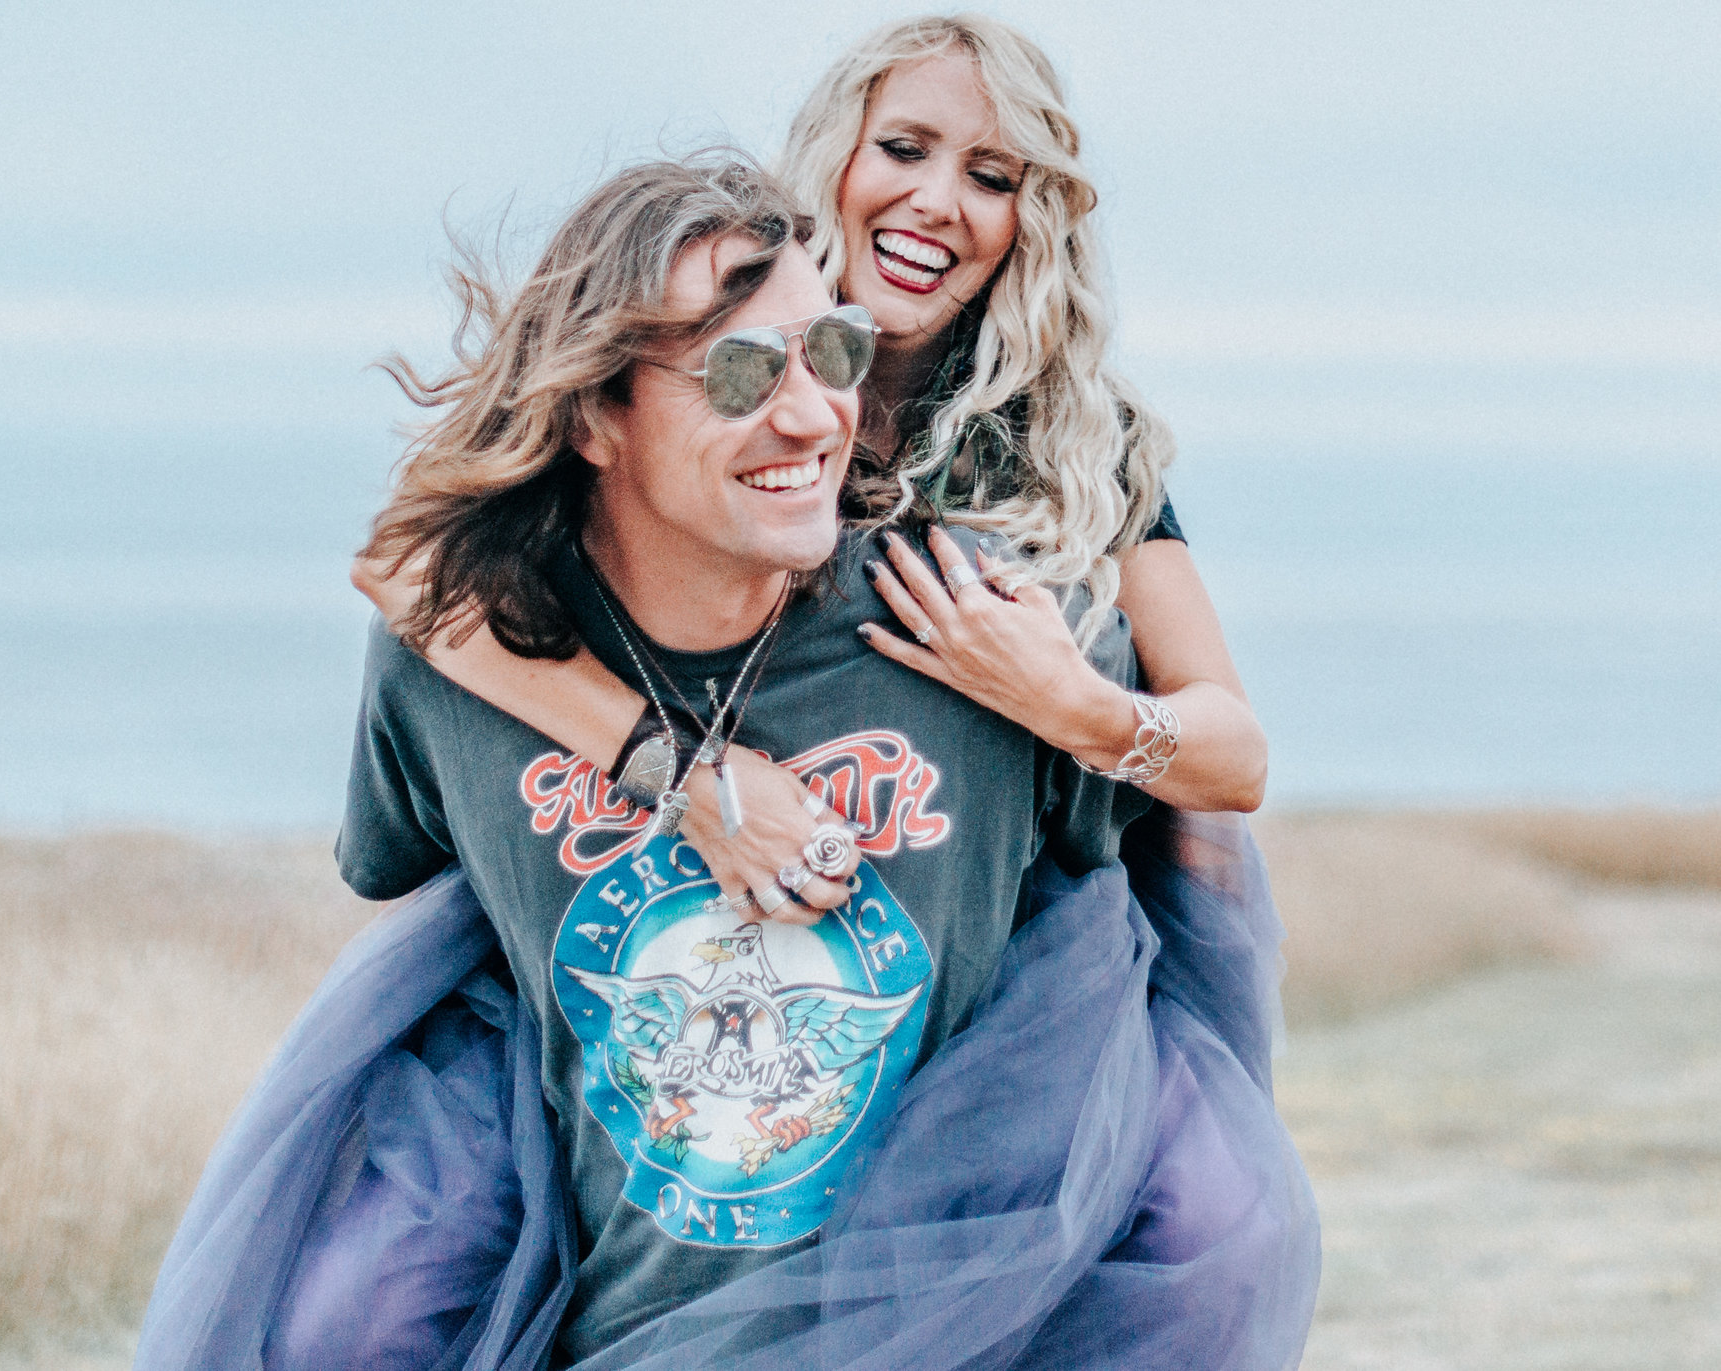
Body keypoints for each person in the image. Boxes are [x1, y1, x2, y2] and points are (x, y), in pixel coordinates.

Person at [135, 155, 1317, 1370]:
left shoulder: (977, 631)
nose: (809, 414)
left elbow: (1187, 840)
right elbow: (417, 898)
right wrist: (675, 771)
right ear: (595, 414)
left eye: (836, 355)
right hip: (597, 1319)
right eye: (742, 371)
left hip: (943, 1327)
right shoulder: (454, 664)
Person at [352, 14, 1266, 928]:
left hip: (975, 908)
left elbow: (1237, 756)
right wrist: (684, 776)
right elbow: (403, 566)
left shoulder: (1071, 438)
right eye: (904, 149)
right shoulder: (708, 297)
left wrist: (1075, 706)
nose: (939, 199)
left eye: (991, 177)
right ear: (836, 153)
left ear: (1028, 223)